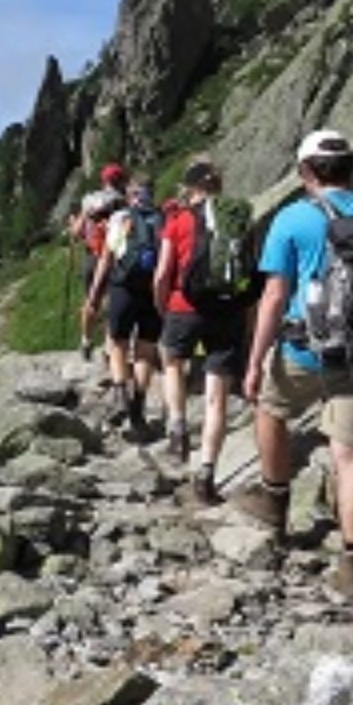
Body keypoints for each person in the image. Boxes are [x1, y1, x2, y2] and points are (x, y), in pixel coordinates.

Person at [236, 129, 353, 609]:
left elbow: (275, 295)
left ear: (306, 172)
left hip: (307, 351)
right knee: (352, 456)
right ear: (351, 168)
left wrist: (256, 359)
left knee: (270, 408)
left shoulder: (294, 217)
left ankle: (274, 501)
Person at [152, 161, 244, 504]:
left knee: (172, 362)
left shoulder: (178, 220)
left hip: (183, 307)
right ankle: (207, 471)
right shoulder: (236, 218)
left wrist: (163, 306)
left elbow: (163, 272)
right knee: (217, 395)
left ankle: (177, 425)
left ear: (190, 188)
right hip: (226, 310)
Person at [85, 173, 163, 432]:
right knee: (146, 349)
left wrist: (94, 295)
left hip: (123, 287)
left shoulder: (120, 218)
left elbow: (107, 258)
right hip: (152, 289)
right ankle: (138, 405)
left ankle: (120, 393)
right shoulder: (163, 219)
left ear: (130, 195)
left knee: (117, 342)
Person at [70, 163, 129, 360]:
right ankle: (107, 347)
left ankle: (86, 340)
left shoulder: (90, 200)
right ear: (121, 180)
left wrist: (76, 222)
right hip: (115, 256)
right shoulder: (124, 201)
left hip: (91, 256)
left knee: (91, 300)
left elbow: (77, 232)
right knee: (111, 302)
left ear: (103, 180)